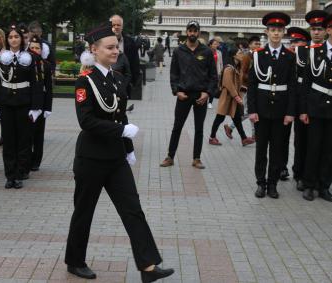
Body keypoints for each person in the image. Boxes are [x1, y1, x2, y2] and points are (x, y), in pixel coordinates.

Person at [64, 22, 174, 283]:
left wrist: (127, 149)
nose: (115, 51)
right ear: (94, 50)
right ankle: (75, 261)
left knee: (133, 209)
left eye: (117, 47)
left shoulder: (117, 79)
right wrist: (122, 133)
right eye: (110, 47)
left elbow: (119, 114)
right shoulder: (85, 81)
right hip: (91, 158)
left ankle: (148, 266)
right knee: (84, 211)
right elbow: (86, 121)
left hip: (115, 158)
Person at [248, 12, 296, 199]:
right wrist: (251, 110)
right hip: (261, 109)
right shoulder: (258, 55)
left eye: (279, 30)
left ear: (283, 33)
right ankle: (261, 183)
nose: (276, 33)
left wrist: (290, 112)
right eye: (272, 30)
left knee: (277, 149)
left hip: (281, 111)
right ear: (267, 32)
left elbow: (292, 86)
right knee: (261, 150)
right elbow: (252, 84)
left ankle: (273, 184)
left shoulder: (289, 56)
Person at [0, 24, 44, 189]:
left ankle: (20, 174)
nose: (13, 40)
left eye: (16, 37)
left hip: (24, 102)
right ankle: (9, 175)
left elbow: (36, 83)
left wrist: (36, 107)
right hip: (6, 102)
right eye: (11, 37)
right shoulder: (0, 57)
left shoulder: (31, 57)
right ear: (7, 39)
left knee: (23, 141)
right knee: (8, 141)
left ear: (22, 39)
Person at [160, 20, 218, 169]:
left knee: (199, 129)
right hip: (183, 94)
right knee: (177, 127)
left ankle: (197, 158)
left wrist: (207, 93)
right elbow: (174, 74)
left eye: (195, 31)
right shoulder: (179, 51)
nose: (192, 33)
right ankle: (170, 156)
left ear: (198, 32)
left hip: (201, 96)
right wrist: (176, 91)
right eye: (190, 30)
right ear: (186, 32)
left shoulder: (206, 51)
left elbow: (213, 76)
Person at [292, 10, 327, 196]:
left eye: (320, 29)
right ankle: (299, 174)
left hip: (323, 104)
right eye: (313, 29)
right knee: (302, 141)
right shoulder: (301, 51)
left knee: (320, 145)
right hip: (303, 102)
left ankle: (318, 180)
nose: (316, 32)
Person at [298, 14, 332, 202]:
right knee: (313, 147)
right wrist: (303, 110)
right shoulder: (314, 52)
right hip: (315, 106)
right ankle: (309, 184)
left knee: (329, 149)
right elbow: (306, 84)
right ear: (328, 30)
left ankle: (324, 185)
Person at [277, 27, 311, 182]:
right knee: (282, 137)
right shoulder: (286, 57)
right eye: (292, 41)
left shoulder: (309, 57)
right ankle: (281, 167)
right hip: (286, 102)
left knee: (300, 139)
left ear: (305, 43)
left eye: (298, 42)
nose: (294, 45)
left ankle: (299, 171)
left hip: (302, 102)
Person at [208, 47, 254, 146]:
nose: (242, 54)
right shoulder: (229, 68)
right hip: (227, 97)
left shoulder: (238, 67)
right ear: (234, 56)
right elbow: (228, 84)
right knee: (219, 118)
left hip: (234, 98)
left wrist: (243, 90)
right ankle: (212, 137)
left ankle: (244, 138)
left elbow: (240, 83)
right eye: (239, 53)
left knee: (237, 118)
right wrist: (237, 97)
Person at [224, 35, 260, 139]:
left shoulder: (259, 55)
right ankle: (254, 134)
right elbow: (242, 73)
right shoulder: (246, 57)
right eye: (255, 43)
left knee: (250, 111)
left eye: (259, 43)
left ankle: (230, 127)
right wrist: (253, 78)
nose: (258, 45)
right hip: (248, 87)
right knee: (249, 111)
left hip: (257, 88)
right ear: (250, 45)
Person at [28, 35, 53, 171]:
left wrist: (48, 107)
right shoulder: (24, 63)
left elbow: (49, 89)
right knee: (28, 134)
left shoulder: (46, 65)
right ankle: (27, 158)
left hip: (41, 104)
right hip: (27, 102)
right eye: (31, 47)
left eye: (37, 48)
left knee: (38, 134)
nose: (34, 50)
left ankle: (36, 161)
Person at [110, 15, 140, 96]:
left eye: (118, 25)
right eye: (113, 25)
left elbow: (135, 63)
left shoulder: (130, 42)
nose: (116, 27)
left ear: (122, 27)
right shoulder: (102, 42)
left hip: (124, 85)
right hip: (106, 84)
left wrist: (133, 83)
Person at [207, 38, 223, 109]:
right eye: (215, 44)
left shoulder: (219, 52)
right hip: (206, 73)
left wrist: (221, 72)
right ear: (210, 45)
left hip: (216, 72)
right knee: (205, 87)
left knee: (213, 88)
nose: (216, 45)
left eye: (217, 44)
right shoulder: (206, 51)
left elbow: (221, 63)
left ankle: (210, 102)